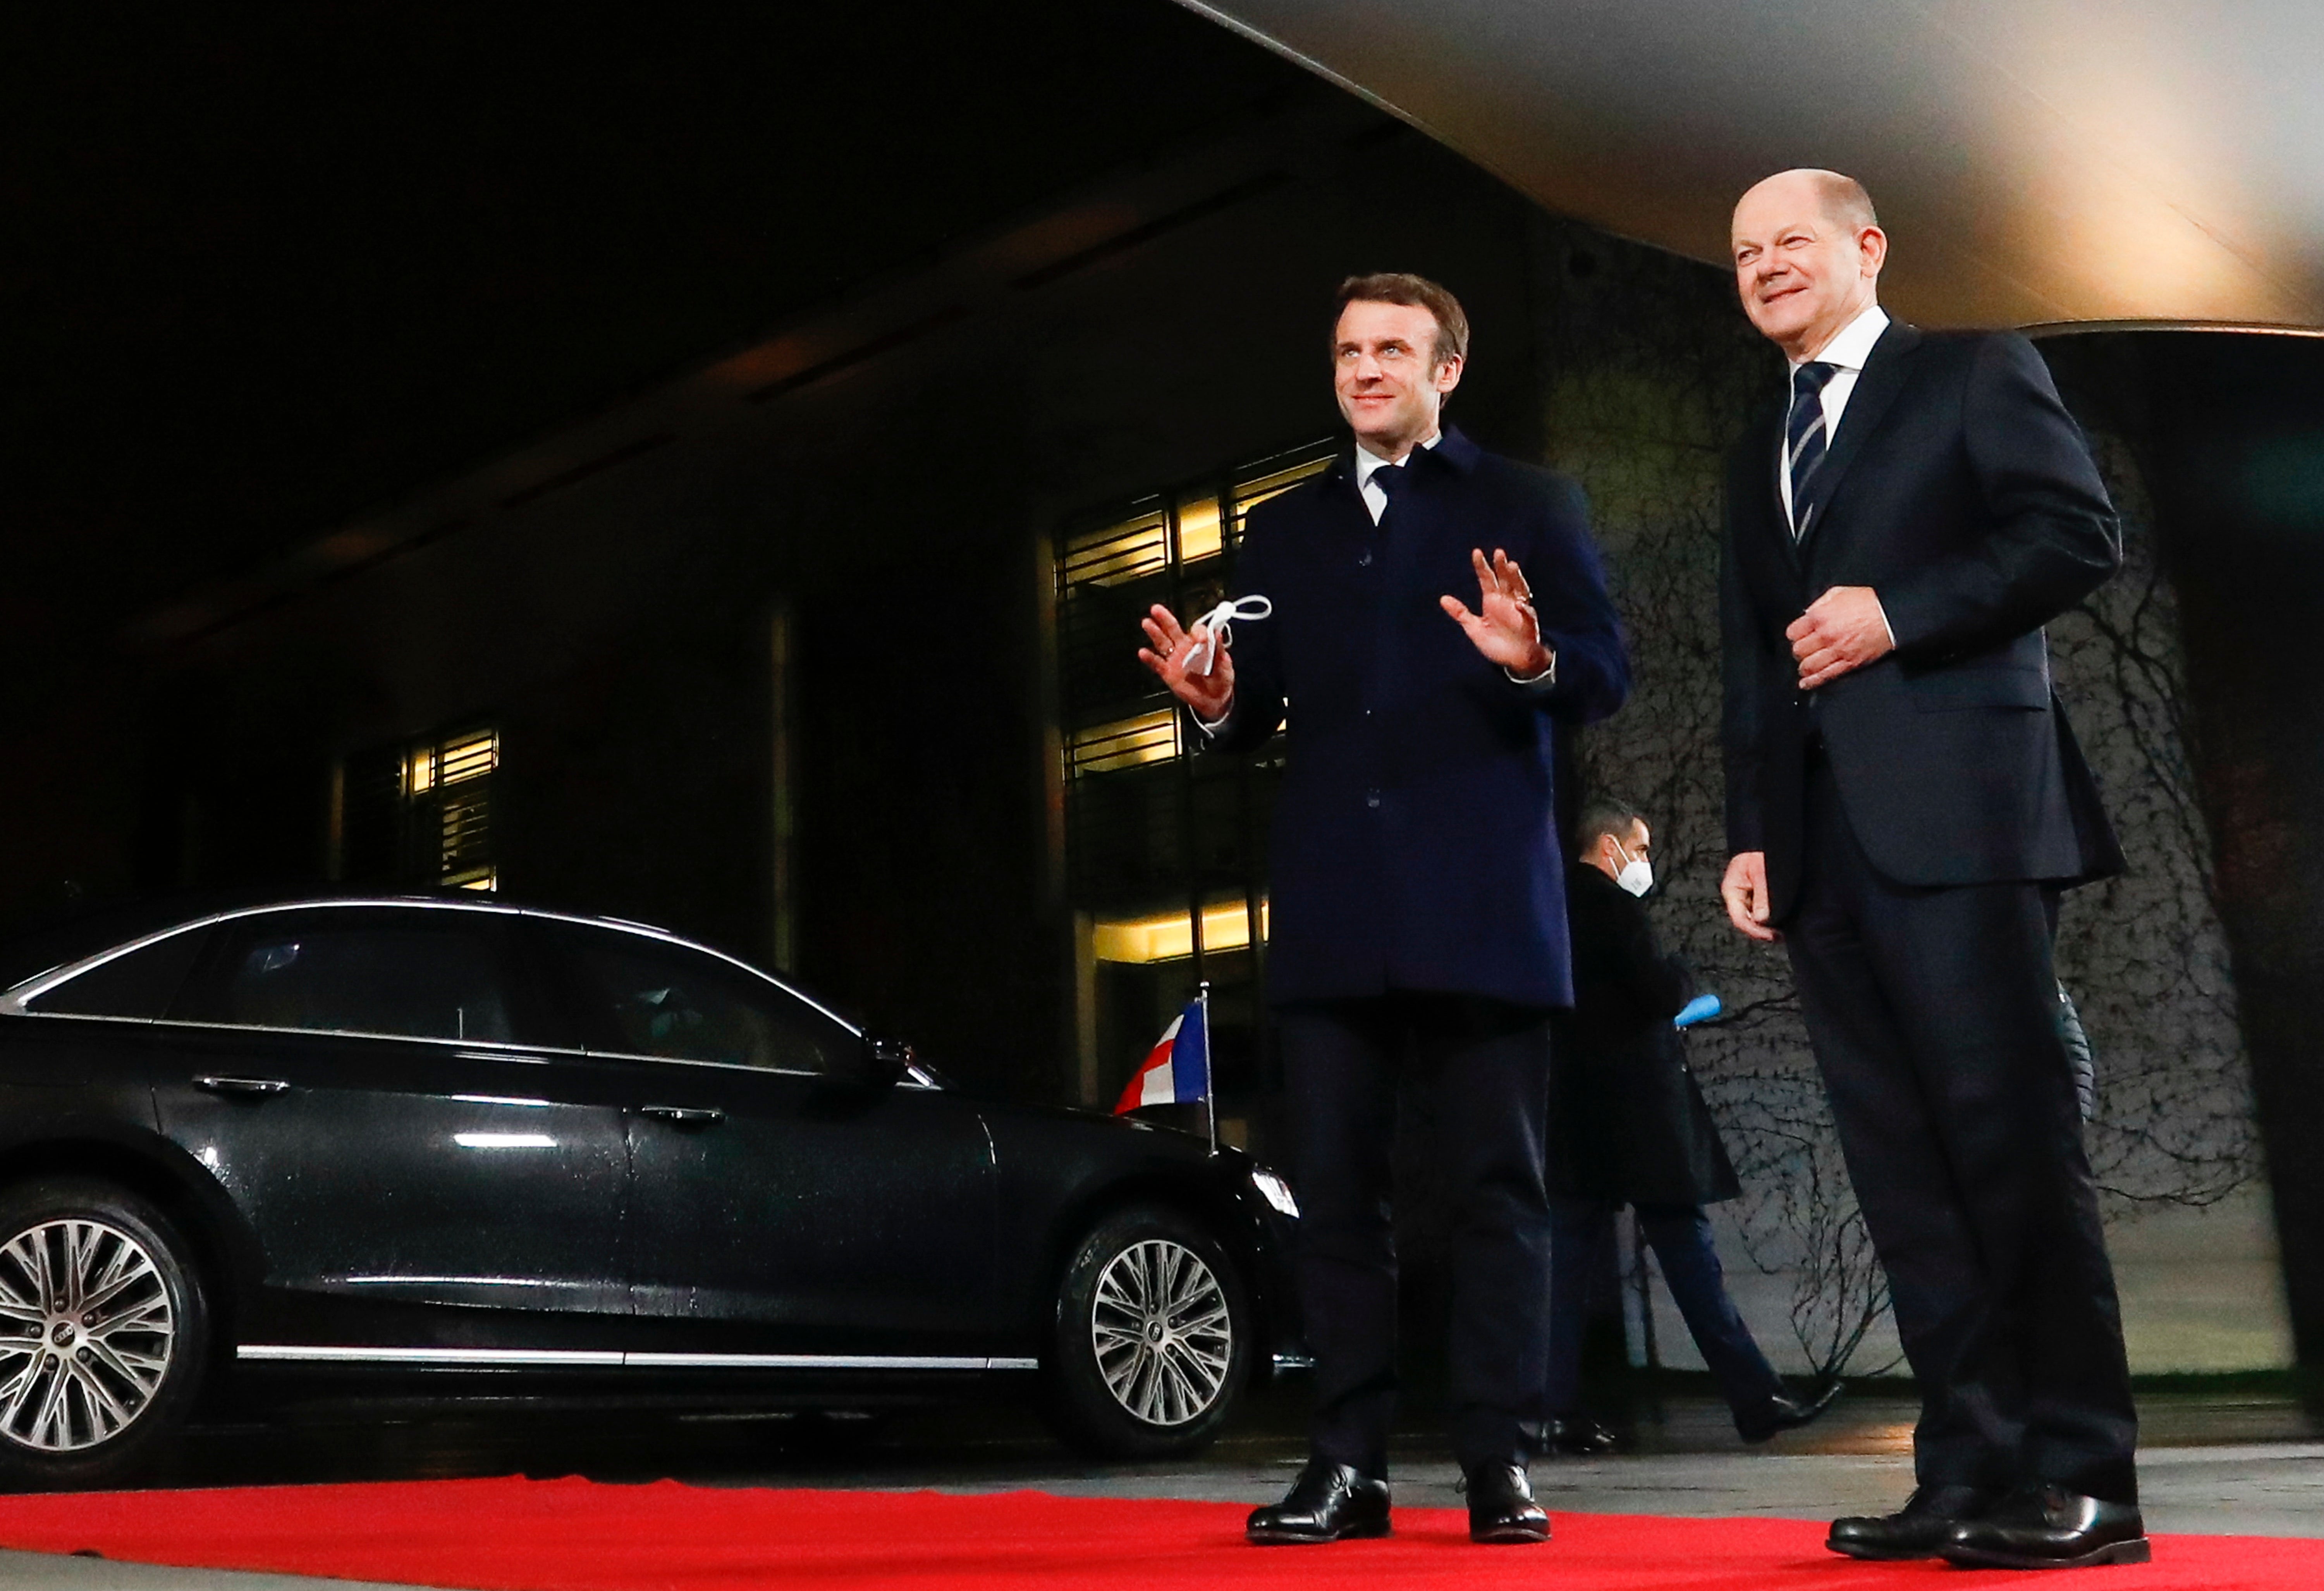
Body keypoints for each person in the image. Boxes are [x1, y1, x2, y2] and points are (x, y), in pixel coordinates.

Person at [1138, 273, 1627, 1546]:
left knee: (1496, 1191)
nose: (1365, 368)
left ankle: (1498, 1458)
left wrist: (1537, 659)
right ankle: (1347, 1463)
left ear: (1446, 369)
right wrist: (1218, 705)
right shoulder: (1286, 526)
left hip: (1483, 902)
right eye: (1349, 348)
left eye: (1393, 348)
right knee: (1336, 1193)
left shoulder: (1528, 501)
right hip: (1335, 905)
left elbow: (1604, 671)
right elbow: (1261, 709)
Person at [1718, 170, 2140, 1570]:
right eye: (1744, 253)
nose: (1767, 264)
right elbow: (1751, 657)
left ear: (1867, 249)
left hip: (1964, 820)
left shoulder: (1971, 369)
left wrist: (1900, 610)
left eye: (1793, 241)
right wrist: (1752, 831)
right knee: (1901, 1173)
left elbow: (2077, 533)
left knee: (2011, 1148)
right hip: (1825, 848)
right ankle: (1966, 1471)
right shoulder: (1759, 438)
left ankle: (2085, 1478)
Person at [1543, 797, 1839, 1449]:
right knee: (1690, 1260)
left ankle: (1550, 1408)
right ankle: (1756, 1397)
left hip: (1579, 1117)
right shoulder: (1615, 909)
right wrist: (1682, 978)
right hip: (1643, 1120)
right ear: (1609, 847)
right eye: (1640, 849)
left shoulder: (1554, 908)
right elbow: (1656, 990)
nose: (1645, 862)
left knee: (1565, 1270)